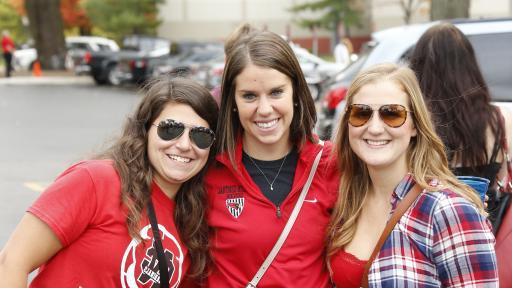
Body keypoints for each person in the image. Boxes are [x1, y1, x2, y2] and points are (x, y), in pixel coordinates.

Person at [0, 77, 218, 287]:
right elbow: (11, 263)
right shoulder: (96, 180)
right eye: (170, 129)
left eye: (201, 135)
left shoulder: (192, 219)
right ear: (145, 130)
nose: (184, 145)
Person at [327, 63, 498, 287]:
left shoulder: (448, 210)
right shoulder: (345, 198)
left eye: (392, 114)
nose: (375, 128)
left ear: (415, 125)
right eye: (362, 113)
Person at [204, 25, 339, 286]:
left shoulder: (331, 164)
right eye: (249, 96)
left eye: (276, 92)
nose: (264, 109)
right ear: (232, 101)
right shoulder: (207, 169)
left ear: (296, 94)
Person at [408, 22, 512, 287]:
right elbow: (501, 178)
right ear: (469, 65)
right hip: (485, 234)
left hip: (426, 236)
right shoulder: (496, 120)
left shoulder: (415, 123)